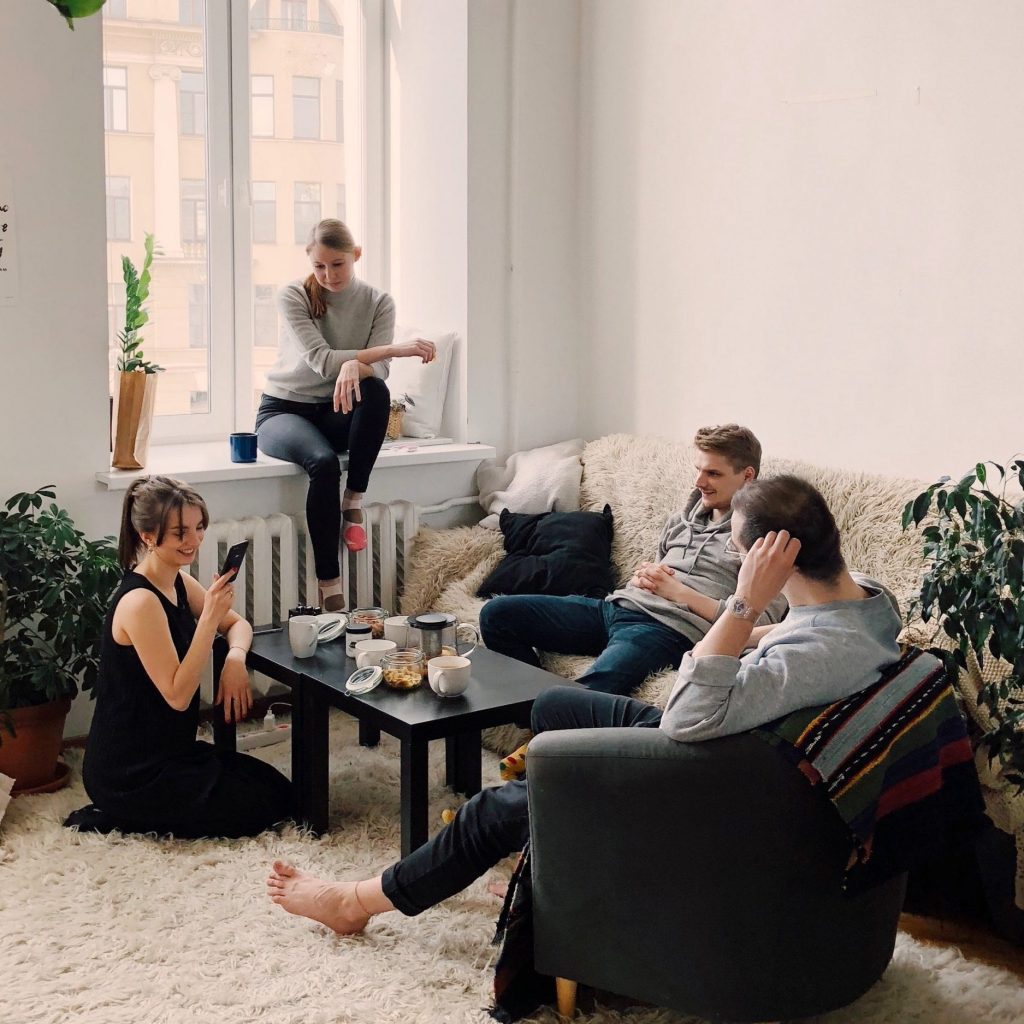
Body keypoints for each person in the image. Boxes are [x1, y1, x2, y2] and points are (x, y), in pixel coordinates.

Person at [265, 474, 903, 933]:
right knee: (554, 709)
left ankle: (356, 902)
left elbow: (687, 712)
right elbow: (789, 638)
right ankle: (552, 836)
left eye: (739, 549)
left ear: (774, 555)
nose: (735, 556)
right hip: (732, 725)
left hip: (707, 768)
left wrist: (739, 604)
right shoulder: (866, 601)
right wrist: (755, 624)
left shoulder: (813, 655)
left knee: (495, 807)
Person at [479, 424, 786, 696]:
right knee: (497, 615)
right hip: (615, 608)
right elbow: (658, 571)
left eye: (713, 473)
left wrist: (679, 594)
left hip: (666, 630)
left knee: (589, 692)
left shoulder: (764, 538)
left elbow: (756, 622)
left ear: (748, 476)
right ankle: (532, 714)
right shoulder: (680, 521)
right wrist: (644, 579)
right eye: (698, 470)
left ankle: (546, 735)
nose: (699, 482)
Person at [65, 476, 292, 839]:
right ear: (147, 535)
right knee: (256, 810)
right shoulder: (140, 602)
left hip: (174, 751)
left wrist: (234, 660)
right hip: (131, 770)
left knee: (279, 791)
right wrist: (208, 620)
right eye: (180, 532)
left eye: (199, 527)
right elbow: (177, 695)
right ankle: (119, 814)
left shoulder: (179, 583)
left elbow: (239, 625)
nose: (194, 541)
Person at [255, 218, 436, 612]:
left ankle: (354, 499)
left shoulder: (378, 302)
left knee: (375, 389)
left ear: (355, 255)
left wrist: (357, 366)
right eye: (319, 266)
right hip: (284, 411)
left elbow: (380, 375)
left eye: (337, 264)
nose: (328, 275)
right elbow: (322, 361)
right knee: (322, 465)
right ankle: (329, 585)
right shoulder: (294, 295)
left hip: (336, 411)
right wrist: (392, 350)